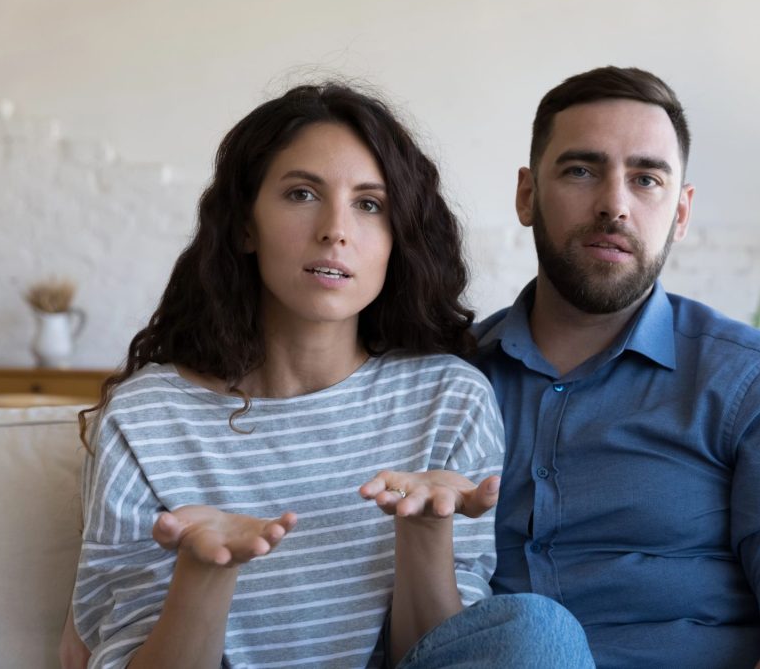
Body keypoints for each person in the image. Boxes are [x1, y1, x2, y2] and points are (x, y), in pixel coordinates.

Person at [63, 83, 594, 669]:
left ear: (396, 238)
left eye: (369, 205)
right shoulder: (146, 417)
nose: (335, 229)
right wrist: (204, 572)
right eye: (302, 193)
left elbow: (440, 659)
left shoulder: (449, 398)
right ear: (244, 225)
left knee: (540, 631)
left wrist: (424, 530)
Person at [470, 65, 760, 668]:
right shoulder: (447, 377)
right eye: (581, 170)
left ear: (681, 213)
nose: (614, 205)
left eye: (646, 179)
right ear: (527, 195)